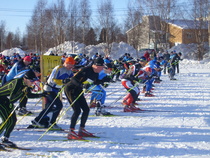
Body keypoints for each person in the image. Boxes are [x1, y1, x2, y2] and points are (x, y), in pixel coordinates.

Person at [0, 70, 45, 148]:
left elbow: (28, 95)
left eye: (34, 81)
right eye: (31, 81)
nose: (32, 82)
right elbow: (12, 98)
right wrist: (22, 92)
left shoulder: (25, 85)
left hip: (6, 101)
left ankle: (5, 139)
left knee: (13, 120)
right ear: (25, 79)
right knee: (6, 120)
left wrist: (41, 95)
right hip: (1, 100)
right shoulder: (17, 82)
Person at [64, 57, 105, 140]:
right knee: (77, 110)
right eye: (101, 67)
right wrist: (82, 85)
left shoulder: (96, 73)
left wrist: (103, 81)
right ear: (95, 66)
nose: (102, 69)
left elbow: (94, 81)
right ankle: (71, 132)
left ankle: (81, 130)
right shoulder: (86, 70)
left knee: (86, 109)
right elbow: (73, 79)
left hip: (78, 90)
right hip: (70, 89)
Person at [30, 57, 75, 129]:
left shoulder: (70, 71)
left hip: (56, 90)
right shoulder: (59, 68)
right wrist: (63, 82)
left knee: (49, 107)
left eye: (72, 65)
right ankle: (52, 123)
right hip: (49, 88)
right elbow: (52, 80)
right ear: (66, 63)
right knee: (58, 105)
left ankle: (38, 120)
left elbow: (73, 80)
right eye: (70, 65)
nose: (71, 67)